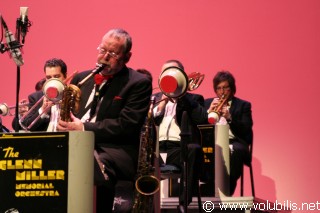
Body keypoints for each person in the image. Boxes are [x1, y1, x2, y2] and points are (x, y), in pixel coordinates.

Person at [56, 28, 152, 212]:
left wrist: (83, 127)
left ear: (127, 57)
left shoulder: (138, 83)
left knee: (87, 163)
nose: (105, 57)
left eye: (113, 53)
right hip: (77, 144)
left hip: (114, 149)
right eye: (102, 50)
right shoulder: (82, 78)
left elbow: (126, 125)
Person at [152, 59, 207, 212]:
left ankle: (183, 204)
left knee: (194, 150)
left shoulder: (193, 99)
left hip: (179, 148)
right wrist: (161, 103)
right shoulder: (155, 98)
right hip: (155, 147)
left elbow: (201, 119)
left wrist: (182, 95)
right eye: (165, 72)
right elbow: (149, 120)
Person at [205, 70, 253, 195]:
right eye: (219, 88)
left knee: (236, 152)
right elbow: (198, 126)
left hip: (235, 141)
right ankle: (208, 190)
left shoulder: (243, 105)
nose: (222, 92)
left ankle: (226, 191)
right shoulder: (206, 103)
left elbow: (246, 128)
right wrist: (208, 113)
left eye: (225, 88)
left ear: (232, 88)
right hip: (213, 142)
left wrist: (230, 118)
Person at [16, 58, 68, 131]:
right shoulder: (36, 97)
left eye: (56, 77)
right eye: (48, 77)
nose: (52, 80)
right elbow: (27, 126)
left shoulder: (73, 95)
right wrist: (43, 110)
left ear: (65, 76)